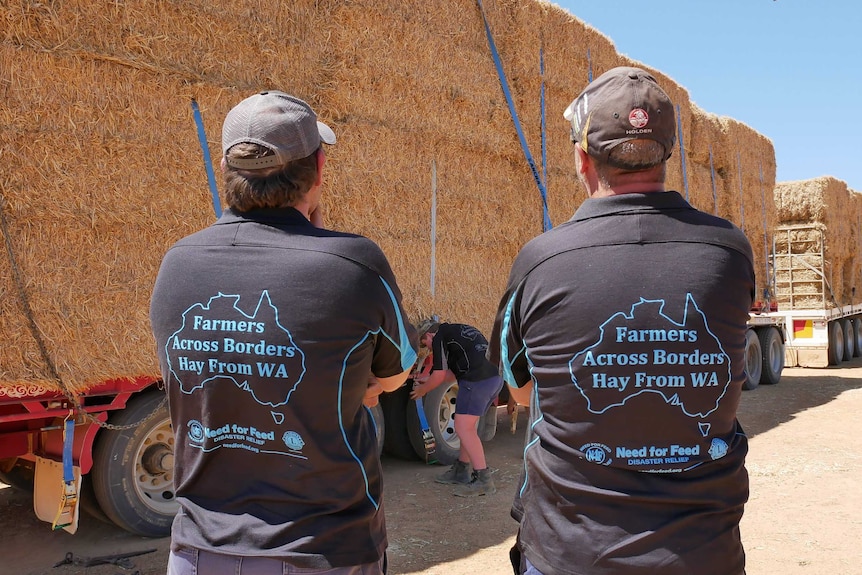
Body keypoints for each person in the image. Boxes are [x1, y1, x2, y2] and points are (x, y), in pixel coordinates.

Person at [488, 67, 755, 575]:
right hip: (703, 552)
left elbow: (521, 392)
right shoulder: (730, 251)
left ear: (581, 157)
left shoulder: (540, 260)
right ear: (667, 153)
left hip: (571, 551)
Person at [150, 90, 418, 575]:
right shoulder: (353, 262)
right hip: (323, 548)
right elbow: (399, 372)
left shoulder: (177, 263)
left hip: (199, 551)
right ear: (318, 171)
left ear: (230, 172)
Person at [410, 320, 503, 497]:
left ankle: (483, 480)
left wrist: (422, 390)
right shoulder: (458, 332)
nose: (429, 349)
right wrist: (426, 379)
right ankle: (461, 470)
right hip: (494, 378)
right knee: (467, 429)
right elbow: (452, 373)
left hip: (476, 381)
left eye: (426, 344)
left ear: (429, 335)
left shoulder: (439, 338)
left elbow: (438, 376)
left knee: (463, 428)